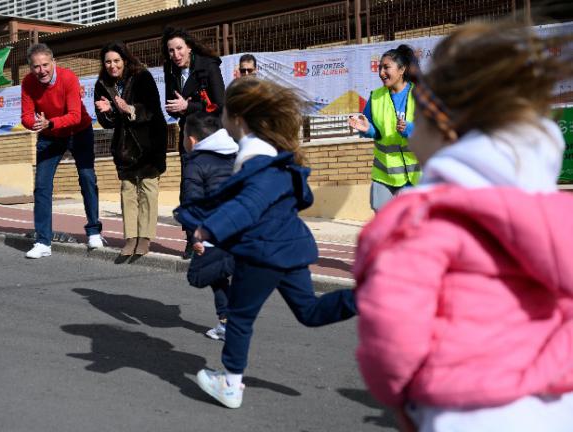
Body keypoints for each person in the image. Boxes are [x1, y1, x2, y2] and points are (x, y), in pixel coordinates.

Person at [353, 21, 573, 432]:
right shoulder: (557, 212)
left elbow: (392, 336)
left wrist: (403, 398)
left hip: (458, 412)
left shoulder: (415, 220)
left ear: (441, 124)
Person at [174, 77, 357, 409]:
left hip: (262, 251)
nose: (222, 116)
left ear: (239, 119)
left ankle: (230, 385)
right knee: (310, 311)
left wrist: (207, 230)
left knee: (239, 318)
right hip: (289, 248)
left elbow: (248, 205)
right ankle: (367, 299)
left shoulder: (258, 160)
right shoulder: (266, 155)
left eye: (226, 110)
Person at [21, 43, 103, 259]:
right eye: (36, 67)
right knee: (41, 187)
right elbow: (26, 116)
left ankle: (94, 230)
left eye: (45, 65)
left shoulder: (68, 78)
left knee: (87, 178)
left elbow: (75, 115)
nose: (42, 71)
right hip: (49, 136)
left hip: (79, 132)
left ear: (53, 63)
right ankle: (42, 241)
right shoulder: (28, 83)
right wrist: (36, 124)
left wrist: (50, 123)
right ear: (30, 68)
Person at [94, 41, 167, 261]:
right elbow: (106, 122)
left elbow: (153, 109)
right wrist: (109, 112)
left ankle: (145, 237)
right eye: (108, 62)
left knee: (147, 188)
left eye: (116, 61)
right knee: (127, 189)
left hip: (150, 141)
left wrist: (130, 108)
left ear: (125, 60)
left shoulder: (142, 76)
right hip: (125, 144)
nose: (112, 66)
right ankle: (130, 238)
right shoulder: (102, 85)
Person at [162, 26, 225, 259]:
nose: (175, 55)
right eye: (171, 51)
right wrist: (180, 108)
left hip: (212, 137)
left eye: (179, 49)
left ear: (189, 47)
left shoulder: (208, 66)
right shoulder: (170, 70)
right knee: (189, 191)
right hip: (188, 137)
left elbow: (220, 105)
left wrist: (189, 106)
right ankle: (192, 240)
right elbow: (172, 104)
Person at [181, 111, 238, 341]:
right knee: (218, 275)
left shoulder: (196, 163)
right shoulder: (236, 153)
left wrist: (195, 237)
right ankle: (227, 320)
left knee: (198, 275)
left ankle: (231, 320)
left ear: (192, 141)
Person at [348, 44, 421, 212]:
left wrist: (410, 129)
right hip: (384, 173)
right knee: (381, 216)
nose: (381, 72)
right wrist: (367, 129)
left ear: (401, 69)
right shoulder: (375, 97)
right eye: (380, 68)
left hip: (414, 175)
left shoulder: (420, 94)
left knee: (408, 220)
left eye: (386, 67)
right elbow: (376, 132)